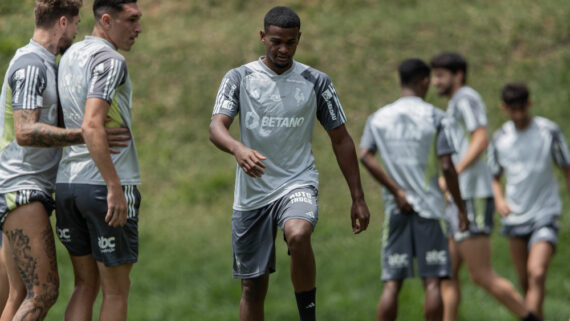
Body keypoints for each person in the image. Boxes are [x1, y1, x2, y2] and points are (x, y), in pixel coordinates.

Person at [209, 6, 370, 321]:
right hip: (252, 194)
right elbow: (217, 127)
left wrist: (358, 197)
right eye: (276, 41)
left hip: (297, 181)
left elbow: (341, 138)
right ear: (262, 37)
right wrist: (238, 149)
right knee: (253, 290)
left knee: (298, 233)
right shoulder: (239, 78)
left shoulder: (315, 81)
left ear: (299, 40)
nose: (283, 49)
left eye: (291, 42)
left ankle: (307, 317)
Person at [430, 52, 538, 321]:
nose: (435, 82)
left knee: (481, 275)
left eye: (441, 75)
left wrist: (453, 173)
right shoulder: (457, 102)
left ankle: (531, 318)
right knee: (447, 274)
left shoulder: (466, 98)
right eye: (434, 75)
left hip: (472, 195)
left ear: (459, 75)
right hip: (459, 197)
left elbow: (480, 139)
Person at [359, 58, 469, 321]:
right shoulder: (435, 117)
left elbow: (365, 155)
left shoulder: (379, 117)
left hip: (397, 209)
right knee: (432, 282)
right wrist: (461, 207)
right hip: (430, 209)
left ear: (399, 81)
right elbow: (446, 165)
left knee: (392, 284)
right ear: (425, 81)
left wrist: (396, 191)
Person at [55, 0, 142, 320]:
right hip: (102, 187)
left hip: (67, 184)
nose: (138, 28)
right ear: (106, 20)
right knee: (116, 291)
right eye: (131, 20)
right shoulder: (111, 59)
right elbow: (92, 124)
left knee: (84, 285)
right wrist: (114, 186)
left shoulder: (69, 56)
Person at [0, 1, 83, 320]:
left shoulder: (42, 62)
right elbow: (25, 130)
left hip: (18, 188)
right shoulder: (33, 64)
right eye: (75, 24)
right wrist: (84, 135)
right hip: (22, 188)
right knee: (43, 292)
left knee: (18, 293)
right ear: (62, 22)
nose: (76, 32)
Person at [488, 83, 570, 320]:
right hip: (515, 216)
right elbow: (494, 176)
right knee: (525, 281)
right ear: (504, 108)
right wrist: (499, 199)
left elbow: (566, 167)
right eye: (513, 110)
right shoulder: (500, 138)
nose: (519, 115)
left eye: (522, 109)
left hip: (545, 213)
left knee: (537, 273)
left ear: (530, 104)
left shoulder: (548, 131)